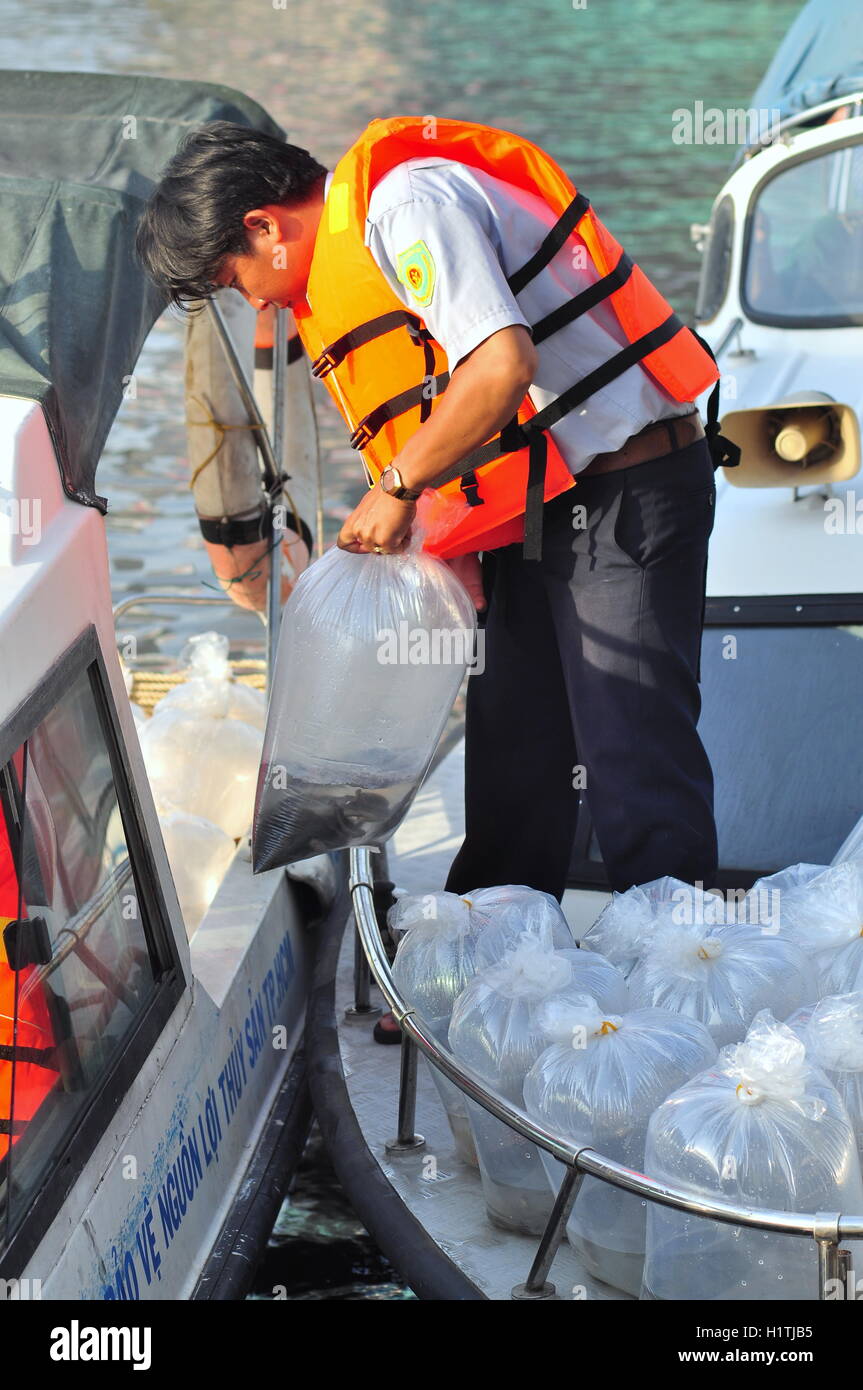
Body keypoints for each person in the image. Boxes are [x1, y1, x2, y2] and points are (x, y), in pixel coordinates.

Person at [136, 117, 722, 1043]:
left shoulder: (406, 208)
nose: (257, 306)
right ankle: (483, 974)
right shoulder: (349, 249)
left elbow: (499, 365)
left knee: (629, 752)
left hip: (623, 487)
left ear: (264, 228)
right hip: (541, 504)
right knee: (514, 744)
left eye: (233, 281)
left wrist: (398, 484)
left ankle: (687, 1001)